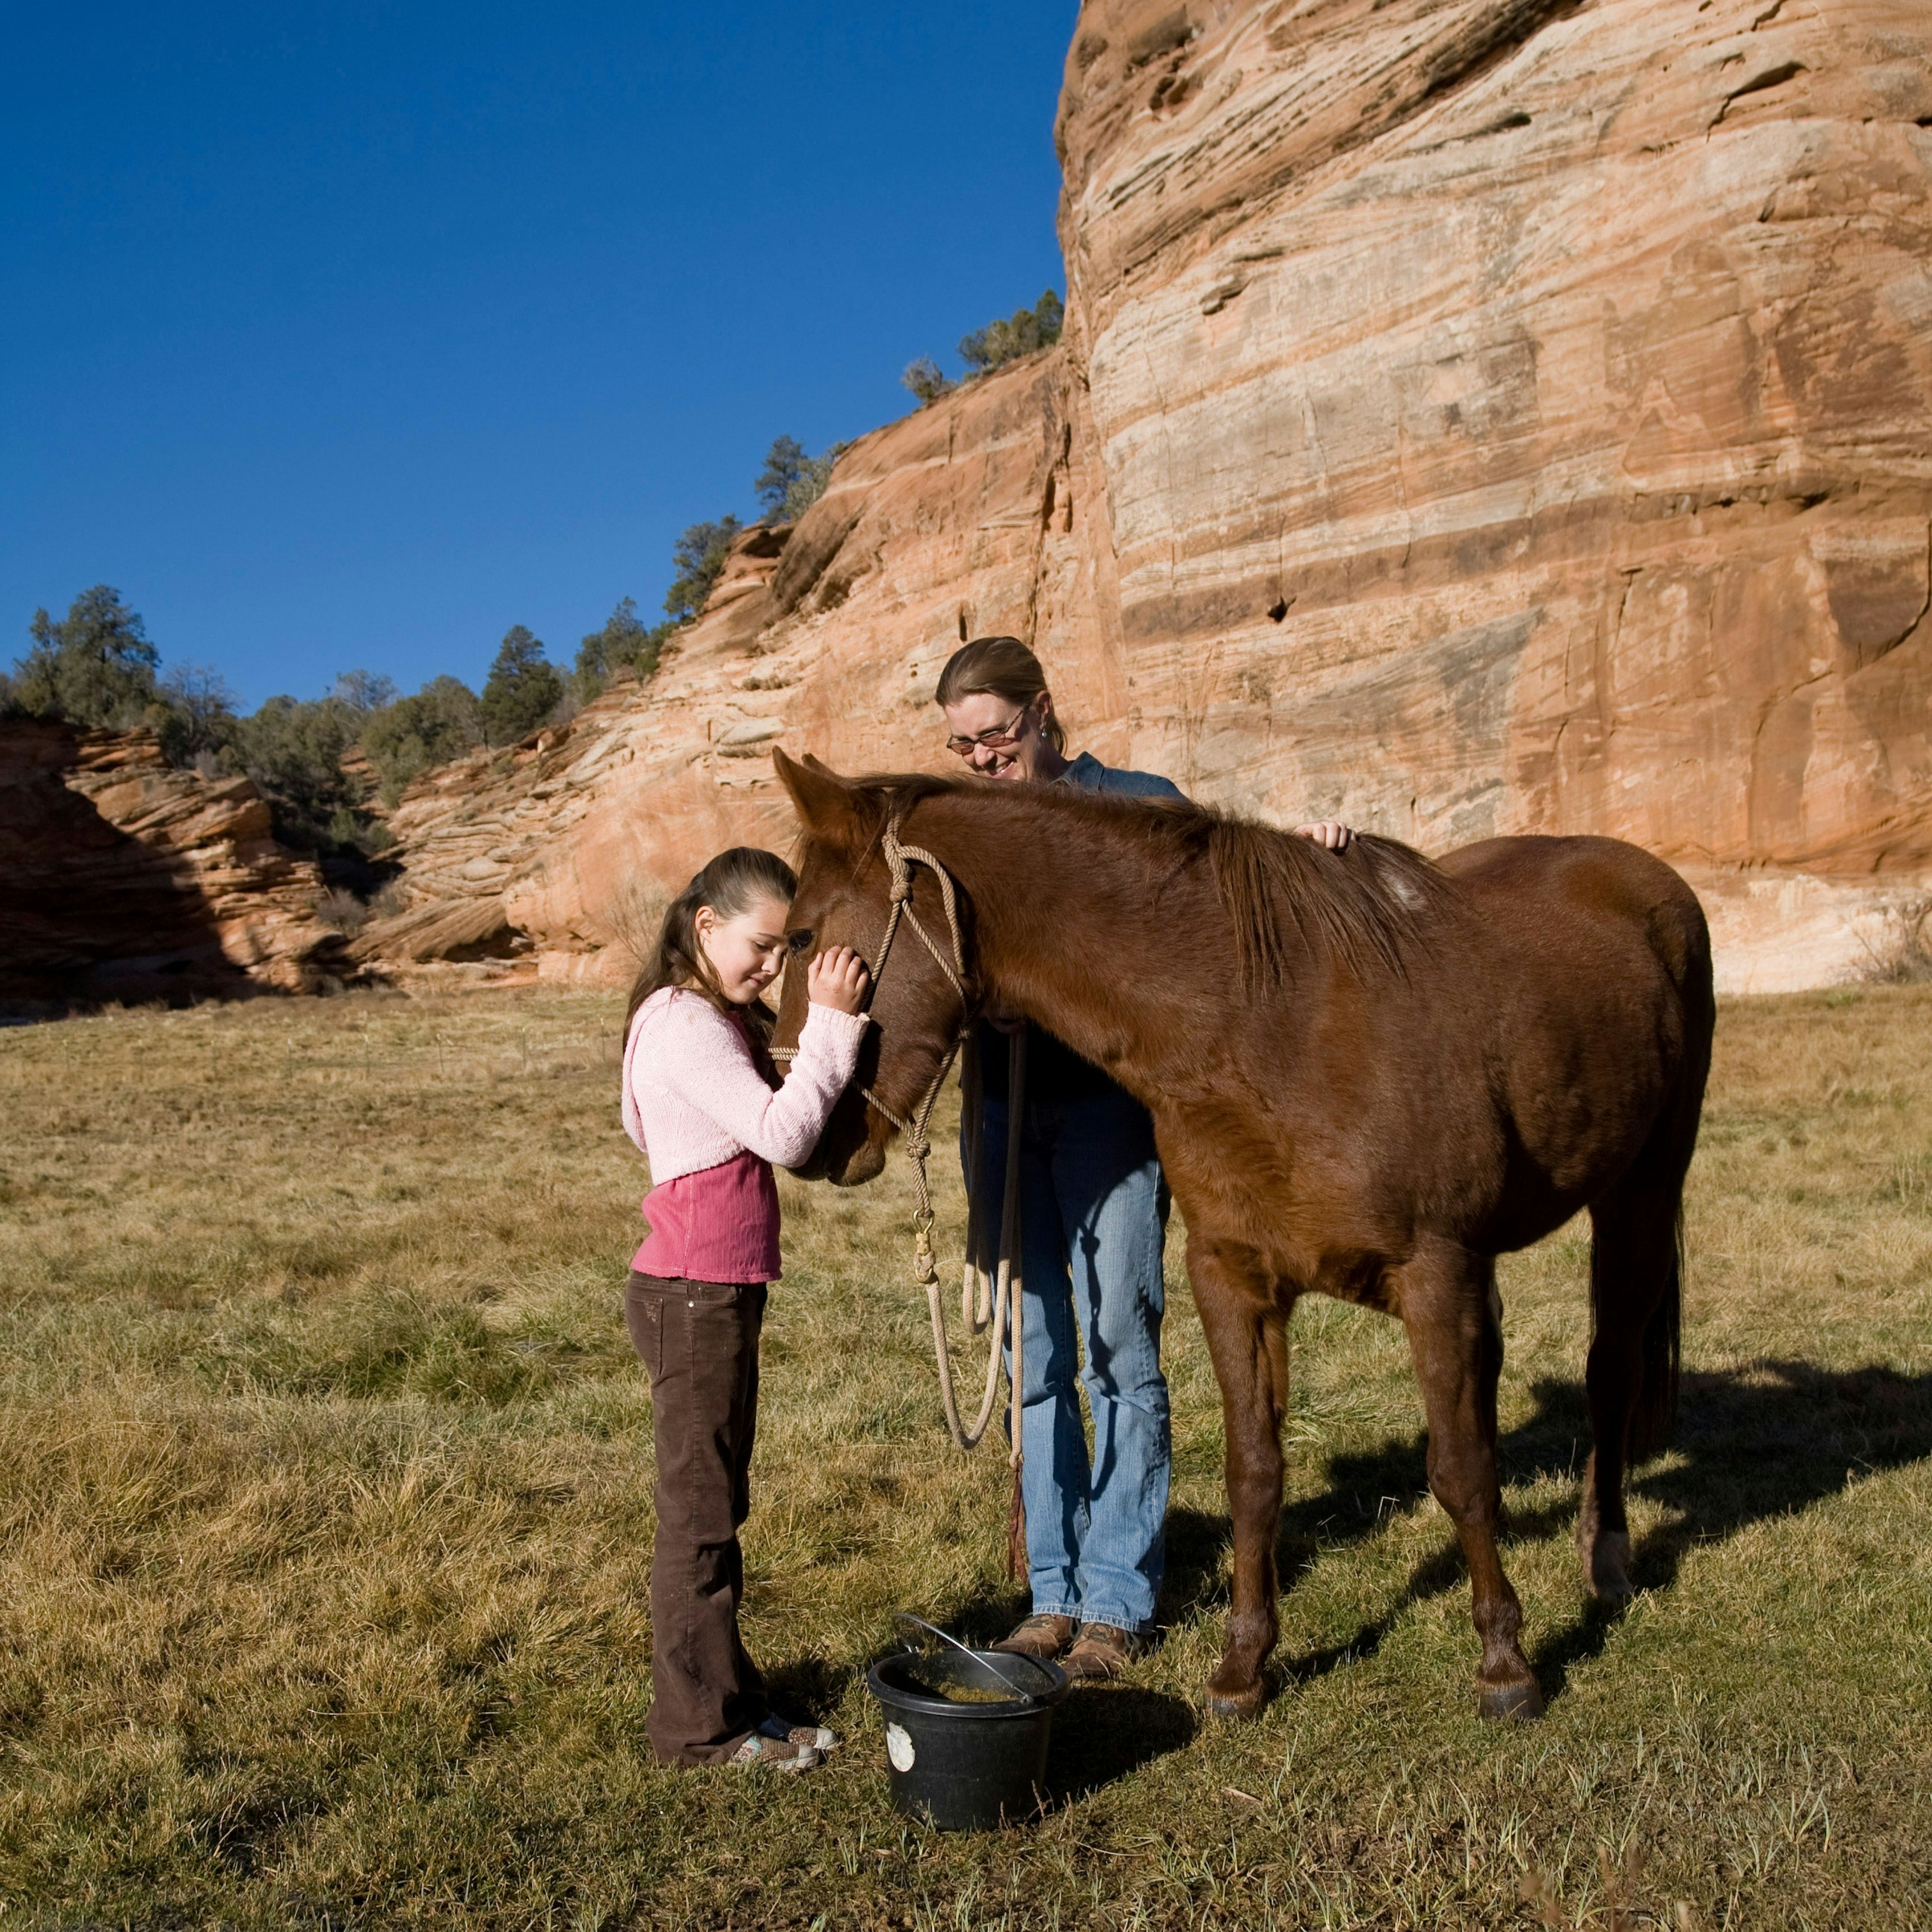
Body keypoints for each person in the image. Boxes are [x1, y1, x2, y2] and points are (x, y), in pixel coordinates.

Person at [935, 636, 1350, 1681]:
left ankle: (1116, 1601)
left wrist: (1306, 851)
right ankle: (1052, 1593)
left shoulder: (1130, 804)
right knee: (1037, 1357)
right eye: (963, 747)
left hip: (1109, 1121)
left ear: (1042, 715)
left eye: (996, 736)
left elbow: (1224, 890)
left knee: (1122, 1348)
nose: (984, 761)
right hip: (999, 1113)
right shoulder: (968, 836)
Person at [619, 846, 870, 1770]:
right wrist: (832, 1031)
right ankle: (697, 1734)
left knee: (715, 1503)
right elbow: (784, 1136)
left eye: (788, 951)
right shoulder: (686, 1024)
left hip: (703, 1291)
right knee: (698, 1518)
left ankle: (731, 1699)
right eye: (762, 948)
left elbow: (648, 1124)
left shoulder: (687, 1017)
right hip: (695, 1296)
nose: (772, 968)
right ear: (706, 926)